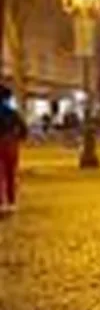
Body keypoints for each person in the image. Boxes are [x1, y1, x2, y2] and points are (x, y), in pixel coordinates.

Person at [0, 86, 27, 215]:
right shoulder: (12, 112)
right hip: (10, 143)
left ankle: (1, 203)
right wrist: (17, 138)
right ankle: (11, 201)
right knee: (10, 173)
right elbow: (23, 129)